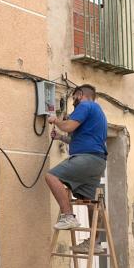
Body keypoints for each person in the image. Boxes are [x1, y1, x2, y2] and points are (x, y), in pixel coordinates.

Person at [45, 84, 107, 254]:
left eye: (74, 98)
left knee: (51, 177)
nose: (73, 103)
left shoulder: (86, 105)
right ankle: (95, 242)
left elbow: (68, 127)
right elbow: (78, 139)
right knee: (89, 201)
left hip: (87, 159)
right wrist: (60, 137)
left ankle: (68, 216)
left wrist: (56, 120)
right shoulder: (98, 112)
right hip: (97, 160)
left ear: (80, 94)